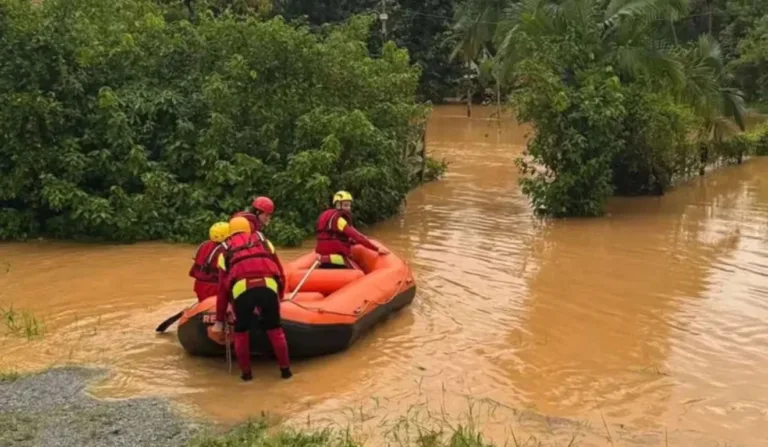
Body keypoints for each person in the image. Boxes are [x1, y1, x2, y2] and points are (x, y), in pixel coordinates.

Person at [211, 214, 291, 381]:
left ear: (230, 232)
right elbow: (280, 272)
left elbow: (222, 290)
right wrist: (280, 296)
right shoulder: (264, 242)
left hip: (242, 290)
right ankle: (285, 372)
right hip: (268, 286)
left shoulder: (224, 250)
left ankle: (246, 375)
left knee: (241, 332)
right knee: (275, 330)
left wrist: (219, 320)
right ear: (249, 229)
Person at [314, 190, 388, 269]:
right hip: (335, 258)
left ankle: (323, 260)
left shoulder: (328, 218)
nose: (348, 208)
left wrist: (353, 241)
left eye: (349, 205)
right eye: (346, 205)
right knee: (358, 271)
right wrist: (377, 249)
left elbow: (342, 236)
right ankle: (327, 259)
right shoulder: (340, 221)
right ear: (338, 205)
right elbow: (357, 237)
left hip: (322, 254)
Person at [188, 222, 230, 302]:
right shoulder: (224, 249)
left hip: (198, 285)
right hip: (213, 287)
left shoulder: (204, 244)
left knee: (203, 303)